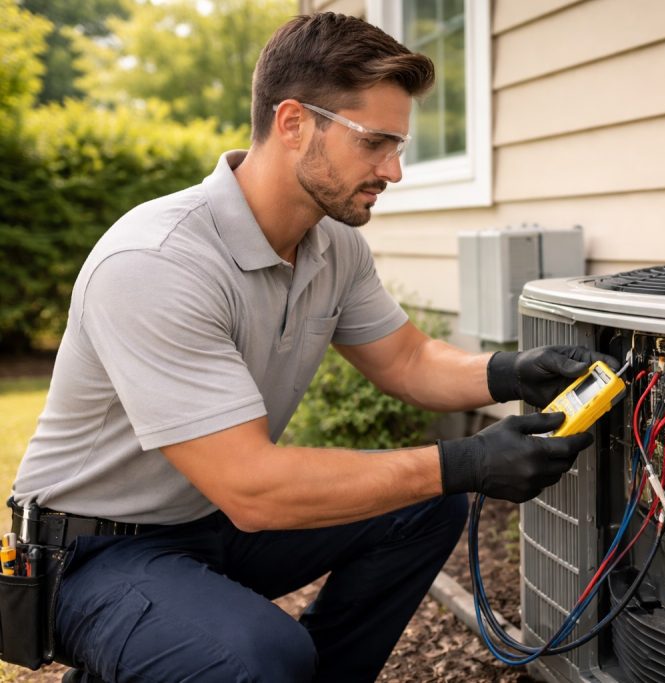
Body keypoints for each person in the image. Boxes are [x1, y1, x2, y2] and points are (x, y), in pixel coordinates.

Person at [9, 13, 614, 683]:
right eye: (375, 142)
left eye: (398, 145)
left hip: (207, 522)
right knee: (261, 657)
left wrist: (511, 371)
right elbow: (253, 489)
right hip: (93, 553)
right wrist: (467, 459)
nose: (395, 170)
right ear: (293, 122)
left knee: (424, 507)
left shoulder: (333, 245)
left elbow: (407, 360)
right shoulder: (158, 261)